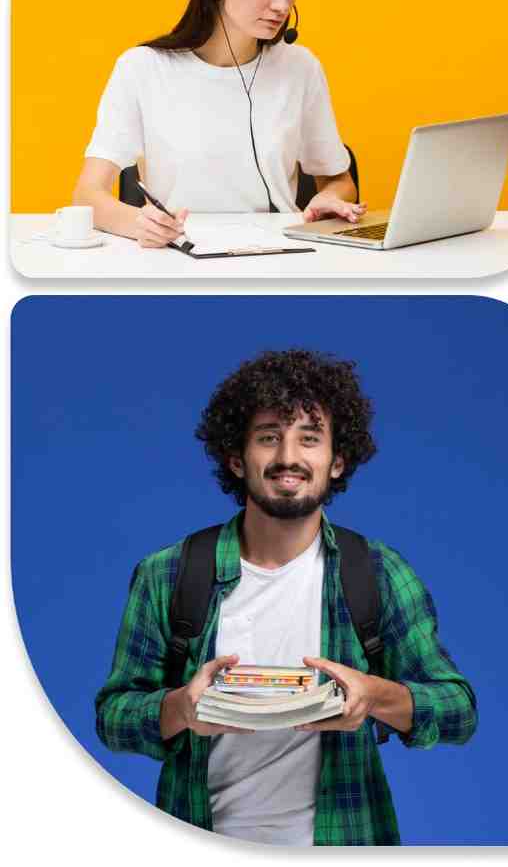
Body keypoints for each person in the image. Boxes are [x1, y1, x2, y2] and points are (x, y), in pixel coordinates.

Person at [95, 350, 477, 846]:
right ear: (237, 458)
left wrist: (375, 696)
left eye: (310, 439)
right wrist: (180, 709)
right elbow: (113, 715)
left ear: (337, 462)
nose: (288, 458)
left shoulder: (378, 573)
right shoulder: (168, 574)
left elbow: (459, 710)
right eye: (269, 437)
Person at [74, 0, 365, 247]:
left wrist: (327, 199)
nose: (282, 5)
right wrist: (139, 224)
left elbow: (339, 179)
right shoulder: (142, 68)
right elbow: (87, 195)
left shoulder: (300, 67)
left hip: (280, 257)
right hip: (177, 255)